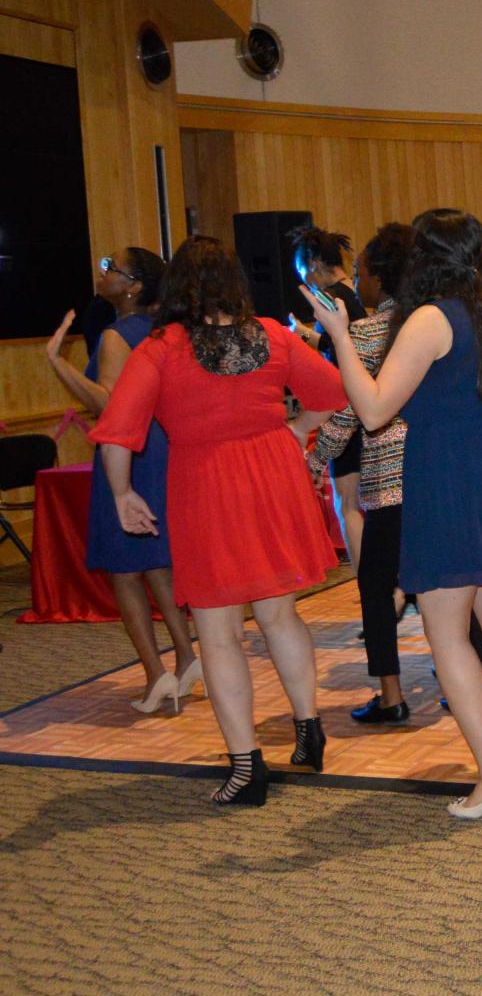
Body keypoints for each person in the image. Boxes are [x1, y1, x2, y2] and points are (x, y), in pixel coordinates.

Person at [316, 210, 482, 820]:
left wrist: (341, 336)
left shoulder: (430, 317)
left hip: (452, 478)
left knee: (445, 628)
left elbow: (373, 411)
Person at [90, 237, 344, 806]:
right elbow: (333, 392)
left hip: (206, 483)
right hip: (273, 475)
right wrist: (298, 431)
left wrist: (124, 493)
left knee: (219, 633)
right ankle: (308, 731)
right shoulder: (273, 335)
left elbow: (116, 430)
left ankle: (246, 767)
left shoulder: (160, 348)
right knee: (280, 614)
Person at [307, 223, 482, 724]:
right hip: (450, 477)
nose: (358, 283)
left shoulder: (370, 332)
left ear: (381, 279)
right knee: (460, 584)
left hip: (395, 481)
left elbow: (353, 412)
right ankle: (467, 684)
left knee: (375, 582)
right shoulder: (447, 323)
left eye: (362, 273)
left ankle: (391, 695)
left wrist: (313, 457)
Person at [44, 249, 198, 713]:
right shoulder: (166, 331)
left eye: (113, 268)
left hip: (125, 456)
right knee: (156, 562)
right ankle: (189, 657)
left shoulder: (115, 336)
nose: (103, 272)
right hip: (160, 451)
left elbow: (108, 406)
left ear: (134, 287)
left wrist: (57, 363)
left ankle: (157, 676)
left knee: (125, 570)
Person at [289, 226, 368, 573]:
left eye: (304, 271)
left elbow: (338, 351)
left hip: (347, 408)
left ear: (315, 263)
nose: (305, 280)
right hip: (369, 405)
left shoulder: (329, 298)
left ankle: (369, 586)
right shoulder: (356, 292)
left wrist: (303, 336)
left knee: (347, 502)